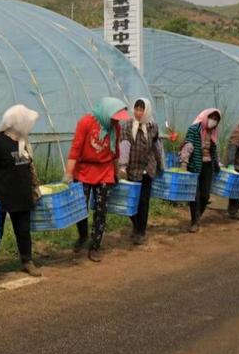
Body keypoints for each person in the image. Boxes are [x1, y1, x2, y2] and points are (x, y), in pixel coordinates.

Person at [0, 105, 42, 280]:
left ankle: (27, 261)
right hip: (1, 195)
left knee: (23, 230)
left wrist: (35, 187)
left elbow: (30, 166)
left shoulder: (23, 141)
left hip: (22, 194)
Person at [64, 97, 130, 262]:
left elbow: (115, 153)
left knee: (101, 211)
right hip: (84, 170)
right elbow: (75, 149)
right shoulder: (86, 122)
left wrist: (116, 173)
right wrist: (68, 174)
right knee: (80, 209)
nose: (116, 121)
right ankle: (83, 236)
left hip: (105, 171)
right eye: (114, 117)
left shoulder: (115, 128)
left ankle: (95, 246)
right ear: (106, 113)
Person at [118, 98, 164, 245]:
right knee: (131, 200)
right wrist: (123, 166)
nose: (138, 112)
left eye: (141, 109)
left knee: (144, 201)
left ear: (147, 111)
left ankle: (141, 232)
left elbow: (157, 147)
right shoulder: (127, 126)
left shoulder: (152, 127)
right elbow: (124, 145)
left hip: (147, 168)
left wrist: (160, 164)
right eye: (136, 109)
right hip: (132, 169)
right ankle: (136, 225)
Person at [179, 108, 223, 232]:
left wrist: (217, 164)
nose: (213, 121)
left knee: (205, 195)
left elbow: (214, 149)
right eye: (211, 118)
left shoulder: (214, 131)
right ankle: (194, 222)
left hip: (208, 165)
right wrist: (184, 162)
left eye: (216, 119)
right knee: (194, 195)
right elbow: (188, 145)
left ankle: (198, 216)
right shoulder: (194, 129)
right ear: (205, 117)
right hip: (195, 164)